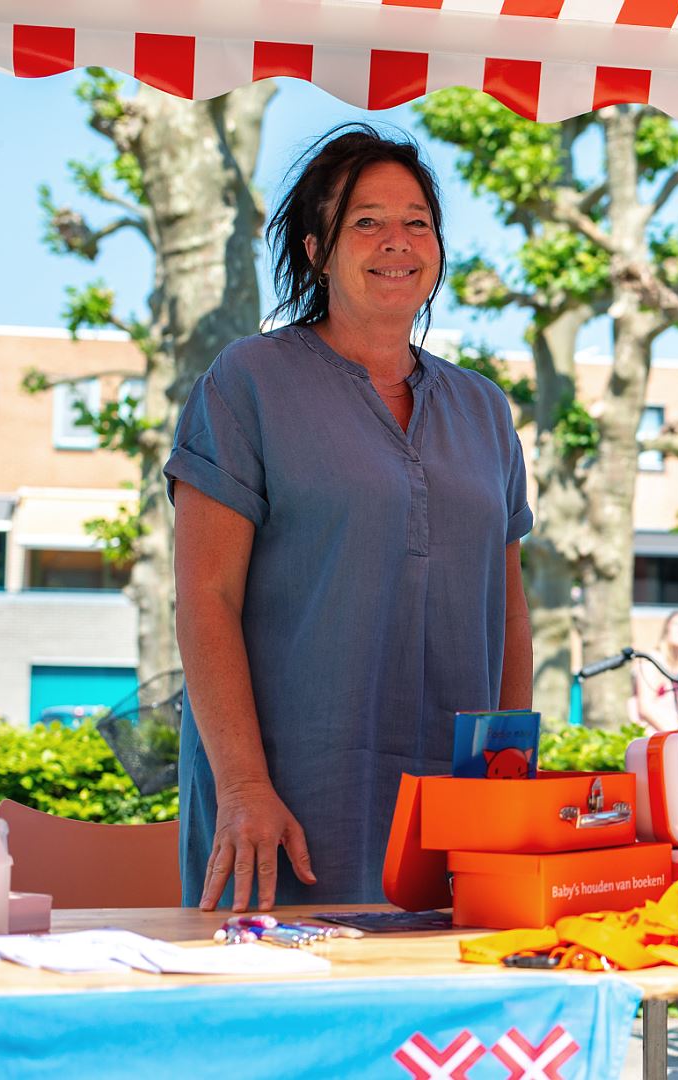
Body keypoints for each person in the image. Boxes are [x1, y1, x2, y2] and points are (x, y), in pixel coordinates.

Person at [164, 124, 533, 912]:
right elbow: (204, 598)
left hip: (455, 812)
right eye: (365, 220)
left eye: (417, 221)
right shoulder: (247, 382)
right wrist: (243, 787)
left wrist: (513, 782)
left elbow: (509, 611)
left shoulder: (484, 409)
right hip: (286, 808)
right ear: (315, 250)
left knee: (444, 1031)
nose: (396, 241)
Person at [630, 610, 678, 732]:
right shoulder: (653, 661)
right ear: (666, 630)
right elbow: (645, 707)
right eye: (676, 624)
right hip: (656, 737)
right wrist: (674, 735)